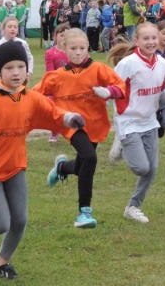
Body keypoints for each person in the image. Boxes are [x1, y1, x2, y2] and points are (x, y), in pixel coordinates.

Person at [0, 41, 85, 280]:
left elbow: (52, 112)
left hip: (14, 166)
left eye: (21, 66)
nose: (16, 72)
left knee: (19, 220)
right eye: (9, 68)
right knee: (0, 225)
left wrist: (70, 118)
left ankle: (1, 264)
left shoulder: (29, 97)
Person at [34, 28, 125, 228]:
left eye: (82, 48)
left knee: (82, 164)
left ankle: (62, 168)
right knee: (90, 158)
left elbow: (121, 86)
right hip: (71, 125)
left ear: (88, 47)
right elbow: (33, 96)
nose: (78, 52)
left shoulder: (99, 69)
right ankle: (84, 212)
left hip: (95, 124)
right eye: (73, 48)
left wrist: (109, 91)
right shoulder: (55, 76)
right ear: (63, 49)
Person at [107, 23, 165, 223]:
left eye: (153, 38)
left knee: (151, 170)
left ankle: (133, 207)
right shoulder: (128, 64)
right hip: (128, 121)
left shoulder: (163, 64)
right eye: (145, 38)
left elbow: (163, 96)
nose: (151, 42)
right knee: (141, 168)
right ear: (136, 40)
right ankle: (122, 144)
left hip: (150, 121)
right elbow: (113, 89)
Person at [44, 23, 70, 143]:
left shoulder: (72, 51)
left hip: (71, 85)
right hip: (56, 86)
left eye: (66, 35)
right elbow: (50, 72)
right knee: (54, 110)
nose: (64, 38)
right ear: (55, 36)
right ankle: (54, 133)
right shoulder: (50, 53)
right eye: (61, 35)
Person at [0, 17, 34, 82]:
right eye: (10, 27)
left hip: (20, 77)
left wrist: (29, 72)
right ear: (3, 28)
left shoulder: (23, 43)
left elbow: (30, 58)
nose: (13, 29)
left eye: (15, 27)